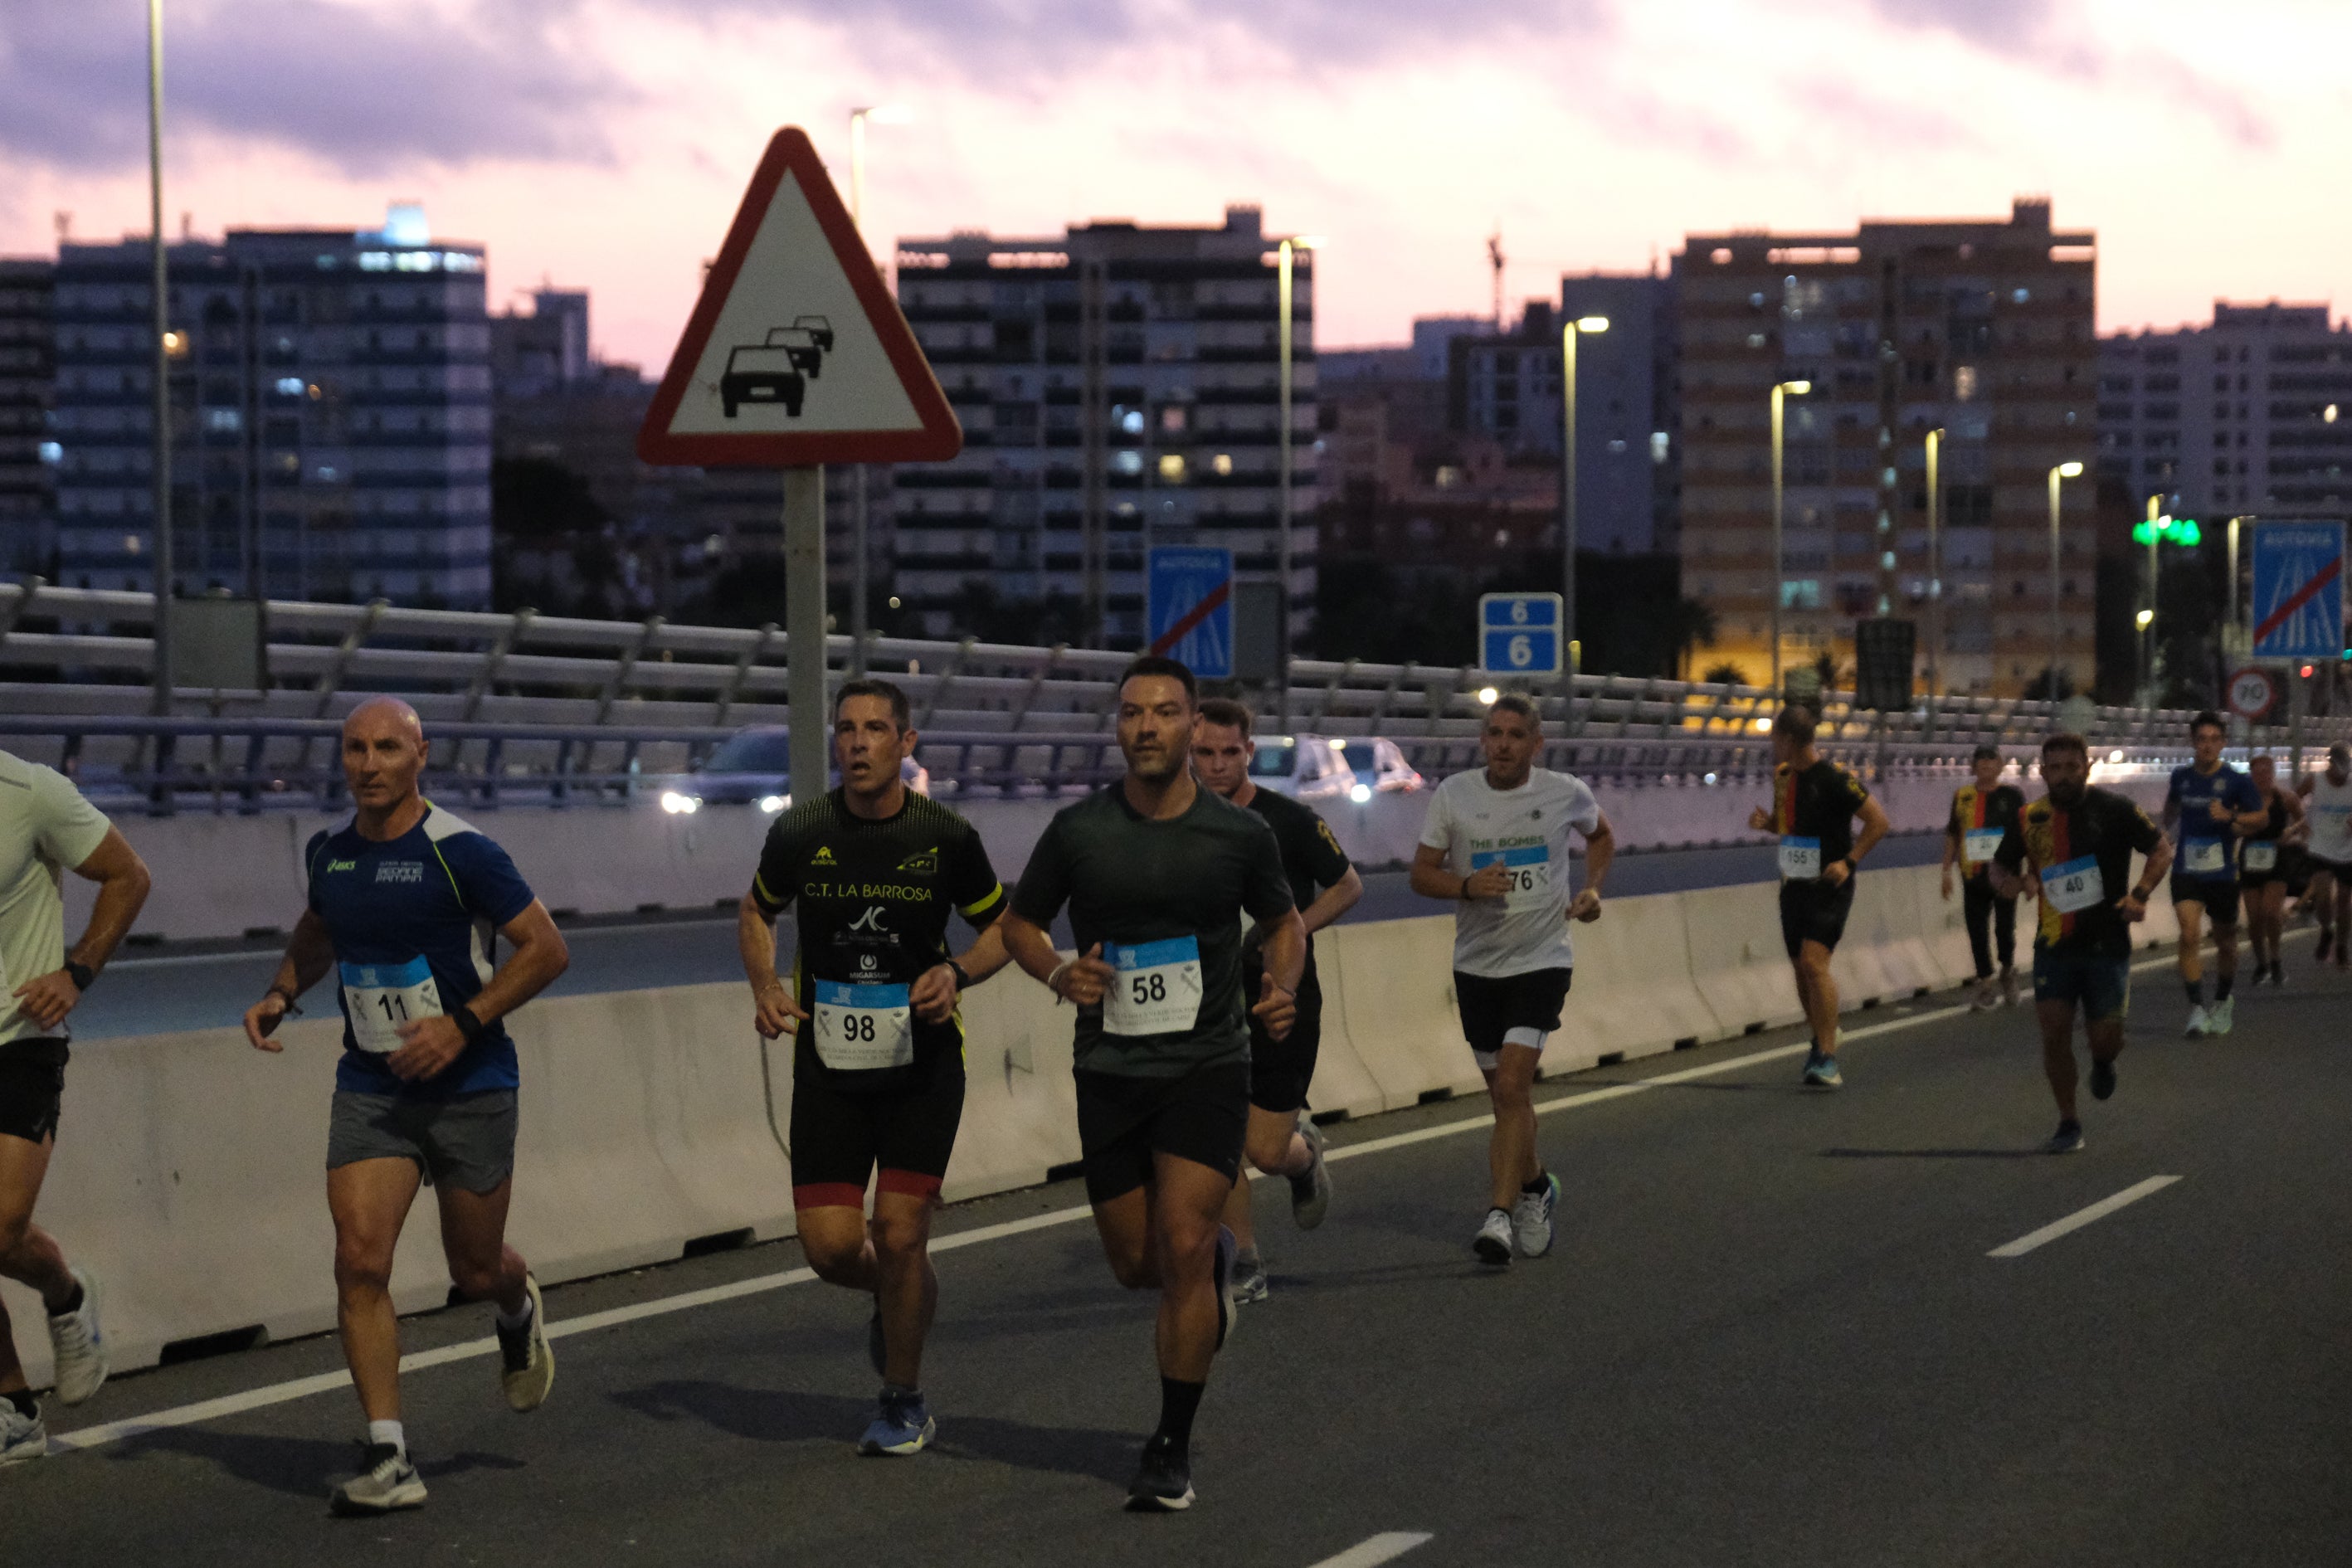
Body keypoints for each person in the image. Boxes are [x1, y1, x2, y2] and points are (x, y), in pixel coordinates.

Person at [241, 698, 569, 1516]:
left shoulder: (464, 852)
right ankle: (389, 1454)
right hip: (373, 1086)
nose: (368, 764)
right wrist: (282, 990)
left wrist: (461, 1025)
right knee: (359, 1260)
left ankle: (516, 1306)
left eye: (387, 748)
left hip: (471, 1085)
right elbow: (319, 928)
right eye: (355, 749)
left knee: (475, 1269)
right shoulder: (330, 852)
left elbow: (547, 950)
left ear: (422, 754)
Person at [998, 656, 1304, 1512]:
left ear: (1190, 725)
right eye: (1132, 713)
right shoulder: (1080, 831)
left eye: (1164, 712)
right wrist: (1058, 973)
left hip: (1208, 1065)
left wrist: (1279, 985)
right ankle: (1213, 1269)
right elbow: (1020, 925)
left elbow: (1283, 923)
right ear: (1117, 726)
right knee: (1138, 1264)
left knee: (1182, 1242)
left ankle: (1169, 1446)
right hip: (1111, 1068)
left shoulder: (1239, 834)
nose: (1146, 727)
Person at [738, 679, 1010, 1457]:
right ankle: (900, 1291)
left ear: (905, 742)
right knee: (829, 1249)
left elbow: (1004, 929)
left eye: (875, 730)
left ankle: (903, 1400)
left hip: (923, 1066)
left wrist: (956, 972)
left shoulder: (945, 836)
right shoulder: (802, 830)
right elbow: (757, 909)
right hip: (829, 1065)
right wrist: (764, 985)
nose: (858, 743)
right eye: (847, 730)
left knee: (897, 1231)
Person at [1410, 693, 1614, 1266]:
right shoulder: (1454, 795)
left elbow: (1601, 835)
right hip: (1476, 964)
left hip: (1542, 959)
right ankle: (1535, 1186)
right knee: (1507, 1102)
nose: (1502, 745)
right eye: (1494, 734)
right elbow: (1421, 874)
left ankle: (1498, 1216)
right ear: (1482, 740)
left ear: (1536, 744)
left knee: (1510, 1089)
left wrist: (1592, 889)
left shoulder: (1564, 792)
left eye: (1515, 735)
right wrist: (1465, 886)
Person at [0, 751, 150, 1465]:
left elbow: (128, 875)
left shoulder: (28, 790)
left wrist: (76, 971)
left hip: (17, 1038)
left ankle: (65, 1293)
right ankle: (13, 1409)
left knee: (0, 1228)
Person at [1189, 699, 1358, 1302]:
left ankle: (1302, 1157)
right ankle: (1244, 1261)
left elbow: (1347, 886)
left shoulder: (1287, 820)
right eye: (1204, 752)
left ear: (1249, 752)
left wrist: (1289, 933)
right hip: (1205, 1005)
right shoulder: (1176, 822)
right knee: (1220, 1135)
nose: (1216, 765)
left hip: (1280, 998)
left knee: (1263, 1150)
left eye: (1229, 752)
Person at [1991, 733, 2172, 1154]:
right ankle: (2068, 1121)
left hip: (2106, 944)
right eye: (2054, 768)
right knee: (2054, 1033)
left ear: (2087, 768)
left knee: (2105, 1039)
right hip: (2054, 945)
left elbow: (2161, 850)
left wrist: (2140, 894)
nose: (2063, 776)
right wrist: (2011, 884)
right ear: (2042, 772)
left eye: (2072, 767)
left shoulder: (2115, 809)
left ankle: (2103, 1062)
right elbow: (1998, 868)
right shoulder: (2029, 818)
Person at [1747, 706, 1891, 1088]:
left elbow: (1878, 822)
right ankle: (1822, 1036)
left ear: (1789, 740)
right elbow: (1787, 824)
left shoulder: (1835, 779)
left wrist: (1849, 861)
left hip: (1829, 885)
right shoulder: (1782, 777)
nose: (1772, 745)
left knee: (1814, 963)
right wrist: (1767, 824)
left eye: (1775, 738)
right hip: (1793, 884)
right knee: (1800, 967)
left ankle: (1827, 1057)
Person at [2159, 711, 2266, 1036]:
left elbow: (2260, 818)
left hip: (2221, 874)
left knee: (2226, 942)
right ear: (2193, 742)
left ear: (2223, 743)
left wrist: (2231, 816)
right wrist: (2165, 832)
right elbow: (2171, 808)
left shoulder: (2237, 780)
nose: (2207, 745)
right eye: (2201, 739)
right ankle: (2196, 1008)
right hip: (2186, 869)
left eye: (2214, 739)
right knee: (2189, 934)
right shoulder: (2180, 776)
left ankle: (2222, 1000)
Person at [1940, 744, 2026, 1010]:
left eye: (1992, 760)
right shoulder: (1962, 796)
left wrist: (2028, 873)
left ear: (2000, 765)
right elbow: (1953, 833)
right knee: (1977, 931)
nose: (1986, 764)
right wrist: (1946, 871)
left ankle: (2008, 970)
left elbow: (2025, 833)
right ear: (1973, 766)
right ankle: (1986, 984)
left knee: (2005, 928)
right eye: (1981, 760)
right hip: (1973, 874)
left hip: (2005, 874)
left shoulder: (2012, 796)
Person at [2238, 753, 2301, 987]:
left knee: (2271, 912)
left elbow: (2303, 821)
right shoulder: (2243, 800)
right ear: (2251, 775)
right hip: (2251, 859)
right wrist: (2241, 828)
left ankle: (2275, 959)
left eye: (2267, 772)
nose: (2262, 777)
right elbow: (2231, 823)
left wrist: (2291, 833)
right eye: (2257, 773)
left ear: (2274, 774)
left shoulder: (2286, 798)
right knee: (2254, 918)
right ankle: (2261, 963)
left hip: (2277, 859)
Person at [2295, 743, 2352, 970]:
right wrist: (2301, 825)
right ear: (2330, 764)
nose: (2342, 777)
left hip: (2347, 851)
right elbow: (2293, 799)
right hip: (2319, 847)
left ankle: (2342, 947)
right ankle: (2327, 929)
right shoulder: (2314, 781)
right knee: (2323, 897)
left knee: (2344, 902)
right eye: (2339, 771)